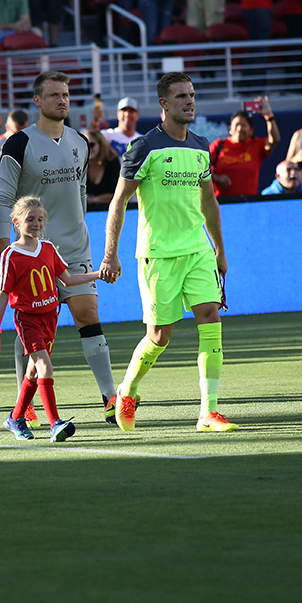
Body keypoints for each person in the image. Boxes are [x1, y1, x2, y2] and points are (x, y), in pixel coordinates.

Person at [100, 72, 236, 434]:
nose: (189, 101)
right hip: (158, 254)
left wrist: (219, 250)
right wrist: (110, 254)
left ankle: (209, 412)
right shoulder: (144, 147)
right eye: (180, 96)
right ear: (163, 104)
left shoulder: (201, 146)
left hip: (197, 251)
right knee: (160, 336)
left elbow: (209, 202)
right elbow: (119, 201)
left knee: (210, 317)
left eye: (192, 94)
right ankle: (127, 392)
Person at [0, 72, 119, 422]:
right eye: (53, 95)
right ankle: (27, 401)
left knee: (87, 315)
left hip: (75, 247)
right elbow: (4, 200)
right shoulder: (18, 144)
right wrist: (8, 247)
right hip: (32, 250)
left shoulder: (80, 141)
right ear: (37, 101)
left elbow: (80, 194)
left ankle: (111, 399)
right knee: (32, 328)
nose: (61, 100)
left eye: (65, 94)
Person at [0, 195, 104, 443]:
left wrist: (99, 274)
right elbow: (2, 294)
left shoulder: (49, 248)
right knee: (44, 366)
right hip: (27, 319)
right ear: (16, 222)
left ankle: (15, 417)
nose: (36, 223)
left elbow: (68, 280)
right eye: (30, 219)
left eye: (40, 219)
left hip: (50, 318)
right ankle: (55, 423)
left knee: (33, 373)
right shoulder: (11, 254)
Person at [209, 103, 281, 197]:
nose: (239, 129)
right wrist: (216, 178)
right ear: (230, 129)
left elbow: (274, 140)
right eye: (236, 125)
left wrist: (269, 116)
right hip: (222, 203)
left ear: (251, 131)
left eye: (243, 125)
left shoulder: (257, 145)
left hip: (249, 203)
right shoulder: (218, 145)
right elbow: (199, 169)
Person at [85, 131, 119, 206]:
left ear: (101, 145)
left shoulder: (112, 163)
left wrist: (91, 200)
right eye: (84, 145)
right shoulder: (79, 165)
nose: (88, 148)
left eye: (91, 145)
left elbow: (116, 194)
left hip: (109, 210)